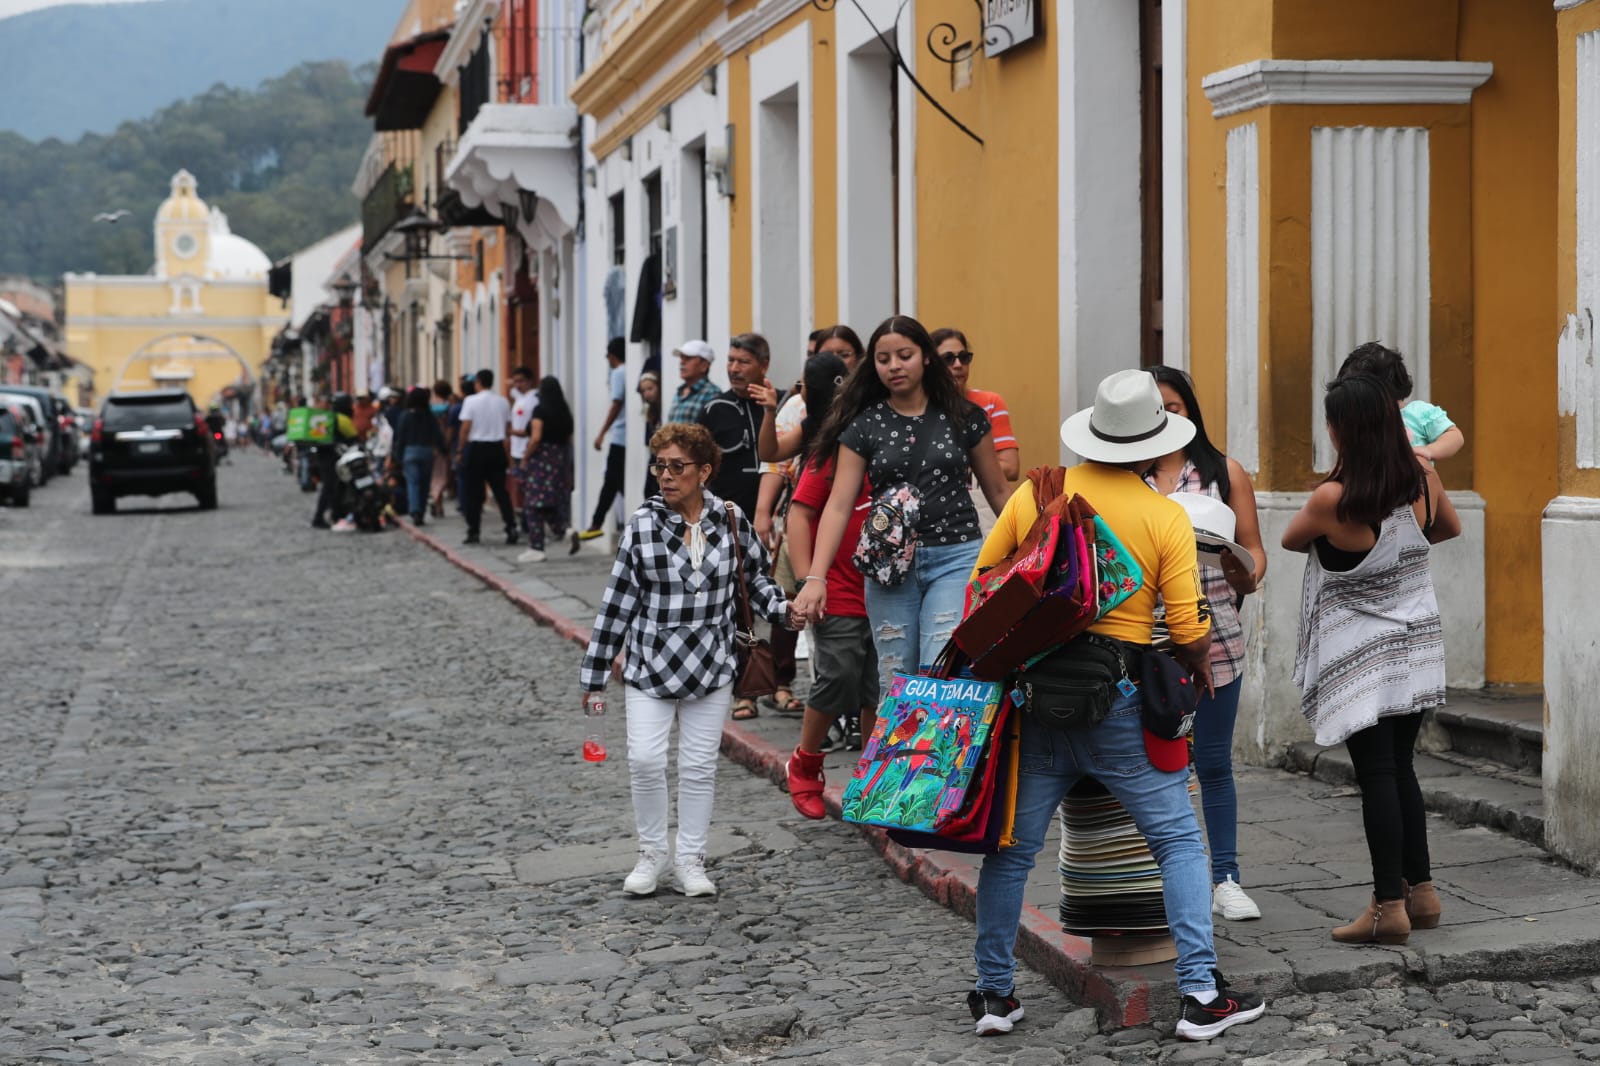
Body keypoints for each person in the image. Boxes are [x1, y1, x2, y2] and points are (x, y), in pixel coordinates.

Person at [966, 369, 1266, 1042]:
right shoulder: (1164, 517)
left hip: (1039, 696)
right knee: (1180, 844)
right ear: (1154, 447)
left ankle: (993, 995)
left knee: (1012, 853)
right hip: (1123, 702)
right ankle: (1199, 992)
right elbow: (1190, 630)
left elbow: (986, 579)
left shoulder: (1038, 496)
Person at [580, 422, 798, 898]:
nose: (665, 475)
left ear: (704, 471)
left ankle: (691, 859)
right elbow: (616, 602)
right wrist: (594, 674)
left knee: (699, 766)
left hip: (712, 663)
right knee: (644, 759)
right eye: (660, 465)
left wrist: (786, 612)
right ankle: (652, 853)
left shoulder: (732, 520)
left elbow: (755, 581)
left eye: (677, 466)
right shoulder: (642, 524)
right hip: (650, 663)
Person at [1283, 371, 1461, 946]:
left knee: (1377, 773)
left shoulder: (1334, 498)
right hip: (1416, 641)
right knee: (1402, 767)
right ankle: (1424, 893)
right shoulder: (1422, 479)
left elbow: (1290, 539)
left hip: (1361, 655)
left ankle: (1389, 906)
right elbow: (1447, 528)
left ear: (1340, 431)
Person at [792, 315, 1010, 693]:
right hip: (888, 566)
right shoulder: (863, 425)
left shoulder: (966, 418)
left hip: (956, 556)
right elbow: (839, 505)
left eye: (904, 355)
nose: (893, 366)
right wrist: (814, 578)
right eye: (883, 358)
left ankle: (935, 754)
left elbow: (999, 492)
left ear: (926, 357)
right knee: (895, 677)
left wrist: (1040, 546)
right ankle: (898, 754)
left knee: (939, 669)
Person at [1142, 365, 1268, 922]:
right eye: (1157, 409)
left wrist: (1248, 573)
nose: (1169, 416)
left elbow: (1254, 551)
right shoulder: (1125, 476)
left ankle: (1226, 878)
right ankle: (1157, 880)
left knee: (1213, 763)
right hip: (1144, 641)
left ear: (1192, 408)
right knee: (1152, 767)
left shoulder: (1224, 472)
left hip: (1217, 635)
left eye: (1177, 405)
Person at [782, 353, 880, 814]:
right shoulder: (833, 453)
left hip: (892, 589)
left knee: (879, 686)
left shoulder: (896, 448)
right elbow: (799, 514)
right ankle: (806, 761)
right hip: (838, 586)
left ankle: (873, 773)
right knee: (838, 675)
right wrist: (807, 580)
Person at [931, 328, 1019, 537]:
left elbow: (1011, 467)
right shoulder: (921, 410)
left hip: (982, 514)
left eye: (964, 357)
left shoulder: (989, 403)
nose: (958, 365)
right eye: (948, 359)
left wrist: (948, 465)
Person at [1334, 342, 1465, 467]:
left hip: (1414, 487)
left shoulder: (1418, 412)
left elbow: (1454, 436)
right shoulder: (1362, 419)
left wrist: (1430, 450)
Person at [456, 368, 520, 547]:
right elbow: (508, 428)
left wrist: (460, 450)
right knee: (501, 492)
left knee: (473, 493)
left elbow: (465, 427)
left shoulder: (470, 401)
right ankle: (511, 526)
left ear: (478, 382)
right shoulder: (503, 402)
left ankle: (474, 530)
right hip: (496, 448)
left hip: (476, 448)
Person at [515, 376, 576, 563]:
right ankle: (565, 530)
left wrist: (525, 459)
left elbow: (535, 437)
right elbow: (568, 440)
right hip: (559, 459)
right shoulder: (565, 413)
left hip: (541, 460)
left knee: (533, 505)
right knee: (547, 503)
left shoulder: (540, 411)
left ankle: (536, 547)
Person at [577, 337, 629, 542]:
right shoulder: (630, 372)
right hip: (624, 437)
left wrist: (601, 432)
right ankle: (597, 523)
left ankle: (596, 524)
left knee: (611, 482)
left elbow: (616, 403)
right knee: (618, 483)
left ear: (612, 356)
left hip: (619, 437)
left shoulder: (618, 373)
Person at [391, 386, 448, 525]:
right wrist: (444, 450)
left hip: (409, 452)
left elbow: (399, 438)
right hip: (427, 452)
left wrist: (397, 457)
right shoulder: (429, 416)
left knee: (413, 482)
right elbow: (437, 435)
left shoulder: (405, 416)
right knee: (424, 483)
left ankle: (415, 510)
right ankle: (421, 511)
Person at [310, 393, 359, 529]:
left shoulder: (327, 417)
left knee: (330, 487)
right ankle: (321, 517)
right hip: (334, 458)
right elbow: (354, 436)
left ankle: (334, 515)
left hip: (322, 456)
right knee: (331, 487)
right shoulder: (342, 419)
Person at [507, 365, 538, 527]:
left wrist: (511, 432)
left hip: (526, 448)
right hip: (516, 449)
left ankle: (528, 521)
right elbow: (511, 390)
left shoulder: (534, 399)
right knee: (519, 486)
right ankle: (525, 519)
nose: (518, 385)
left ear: (530, 381)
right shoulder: (520, 398)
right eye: (515, 382)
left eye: (521, 381)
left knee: (527, 487)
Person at [668, 339, 721, 424]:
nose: (682, 362)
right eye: (681, 357)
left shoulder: (713, 394)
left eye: (688, 358)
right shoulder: (679, 392)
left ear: (704, 365)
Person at [448, 374, 475, 513]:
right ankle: (476, 503)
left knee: (462, 477)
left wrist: (456, 449)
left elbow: (455, 429)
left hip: (461, 445)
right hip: (477, 445)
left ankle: (464, 504)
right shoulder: (476, 404)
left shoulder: (457, 408)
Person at [429, 380, 454, 517]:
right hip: (444, 443)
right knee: (442, 474)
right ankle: (438, 501)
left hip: (431, 444)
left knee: (434, 475)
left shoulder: (430, 406)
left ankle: (437, 501)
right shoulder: (449, 407)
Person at [638, 370, 662, 499]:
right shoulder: (649, 410)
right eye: (644, 391)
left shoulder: (664, 406)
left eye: (650, 388)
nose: (647, 394)